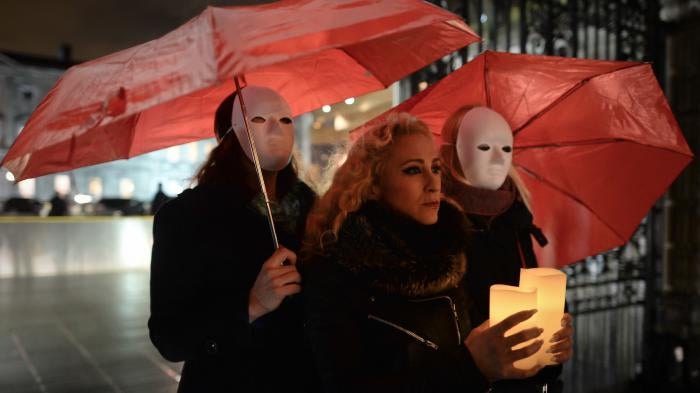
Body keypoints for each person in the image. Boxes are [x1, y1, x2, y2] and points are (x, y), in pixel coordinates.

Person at [302, 113, 545, 392]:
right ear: (373, 185)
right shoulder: (335, 271)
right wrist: (469, 367)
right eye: (413, 170)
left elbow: (481, 353)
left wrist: (536, 356)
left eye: (436, 168)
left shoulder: (447, 255)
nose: (433, 183)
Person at [148, 86, 318, 392]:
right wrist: (250, 305)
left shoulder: (313, 206)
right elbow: (169, 337)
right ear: (229, 137)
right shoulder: (187, 217)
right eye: (258, 118)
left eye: (285, 119)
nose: (275, 127)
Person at [440, 105, 574, 392]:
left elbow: (530, 287)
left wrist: (555, 330)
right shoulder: (437, 222)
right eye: (485, 146)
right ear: (454, 153)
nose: (499, 158)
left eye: (506, 148)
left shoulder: (515, 217)